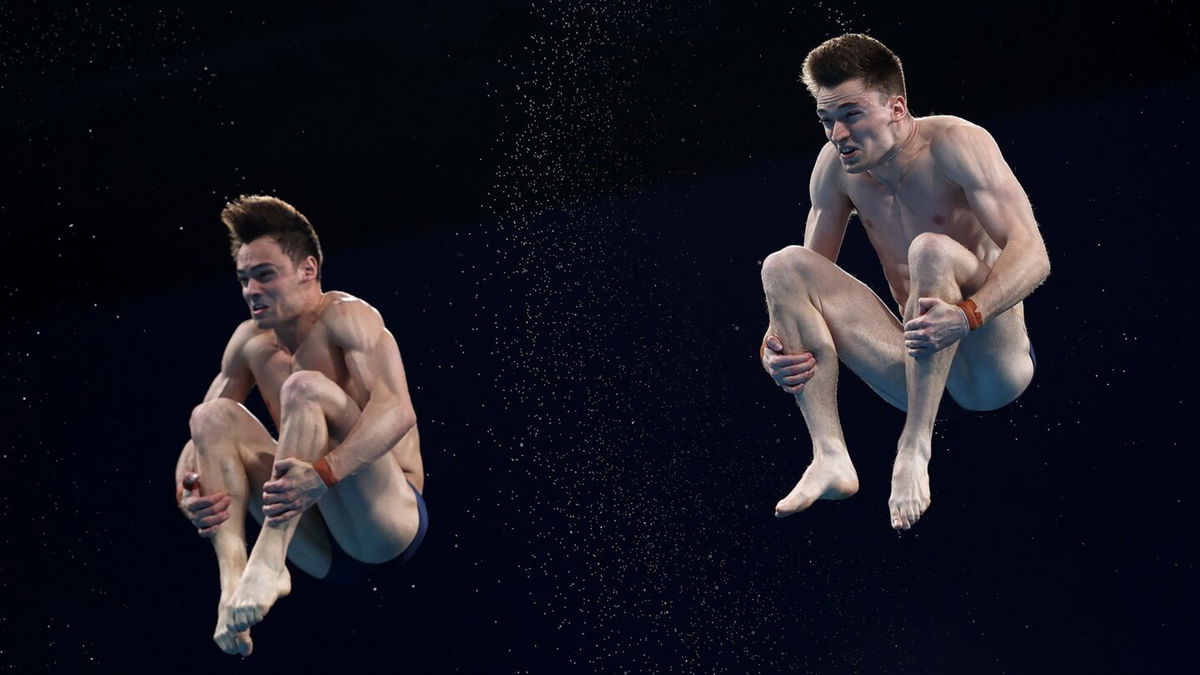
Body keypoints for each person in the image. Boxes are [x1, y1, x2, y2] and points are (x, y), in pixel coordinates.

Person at [759, 34, 1049, 531]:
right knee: (783, 266)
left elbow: (1035, 256)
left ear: (896, 107)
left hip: (989, 364)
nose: (838, 134)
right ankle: (830, 456)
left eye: (851, 114)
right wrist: (775, 347)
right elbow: (807, 286)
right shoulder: (835, 170)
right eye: (827, 120)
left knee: (929, 249)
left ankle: (914, 448)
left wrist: (967, 315)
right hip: (915, 362)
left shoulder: (957, 143)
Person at [174, 195, 427, 655]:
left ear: (307, 270)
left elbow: (397, 411)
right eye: (244, 279)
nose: (252, 290)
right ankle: (234, 581)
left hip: (385, 521)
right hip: (317, 540)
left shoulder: (348, 317)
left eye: (265, 275)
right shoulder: (249, 343)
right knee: (208, 416)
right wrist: (188, 494)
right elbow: (197, 446)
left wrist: (324, 474)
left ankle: (268, 559)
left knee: (304, 388)